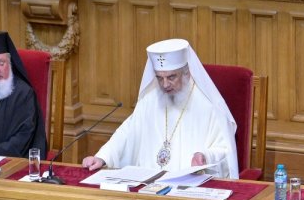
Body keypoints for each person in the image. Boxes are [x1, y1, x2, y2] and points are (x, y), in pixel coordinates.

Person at [82, 38, 238, 178]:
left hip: (188, 188)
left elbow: (225, 150)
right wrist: (103, 157)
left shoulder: (207, 105)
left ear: (186, 73)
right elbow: (127, 133)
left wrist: (204, 156)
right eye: (159, 78)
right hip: (147, 185)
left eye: (171, 77)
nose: (165, 85)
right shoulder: (150, 99)